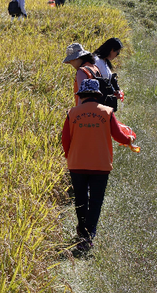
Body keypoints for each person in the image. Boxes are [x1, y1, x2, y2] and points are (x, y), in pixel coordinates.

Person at [61, 78, 135, 251]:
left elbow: (65, 140)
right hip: (100, 164)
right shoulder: (107, 112)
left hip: (77, 163)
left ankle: (81, 230)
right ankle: (88, 236)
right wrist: (130, 139)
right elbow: (118, 136)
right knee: (95, 201)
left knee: (80, 198)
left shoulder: (71, 113)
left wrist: (70, 156)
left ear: (82, 95)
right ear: (97, 95)